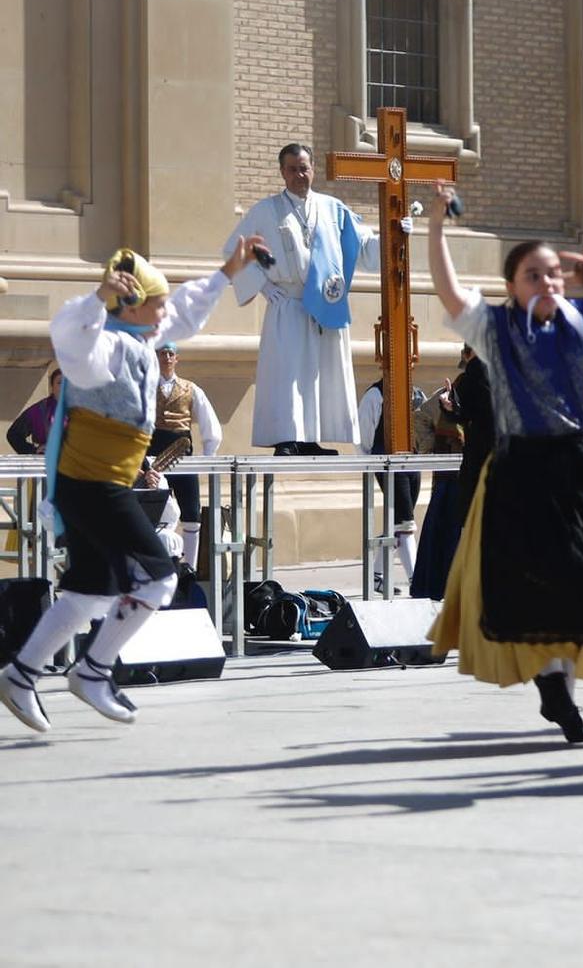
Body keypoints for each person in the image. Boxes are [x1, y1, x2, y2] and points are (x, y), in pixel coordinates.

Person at [423, 184, 583, 745]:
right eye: (534, 274)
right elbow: (451, 291)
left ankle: (563, 693)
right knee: (534, 591)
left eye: (554, 273)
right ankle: (557, 690)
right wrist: (436, 226)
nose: (547, 281)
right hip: (523, 473)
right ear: (511, 285)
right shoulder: (494, 327)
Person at [2, 236, 264, 734]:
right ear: (132, 305)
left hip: (98, 482)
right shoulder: (104, 345)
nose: (167, 310)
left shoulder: (143, 340)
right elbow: (70, 337)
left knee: (88, 590)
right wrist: (98, 299)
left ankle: (21, 674)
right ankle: (93, 671)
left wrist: (229, 269)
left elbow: (185, 309)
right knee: (160, 576)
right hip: (93, 483)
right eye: (157, 301)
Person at [224, 143, 382, 453]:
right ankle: (287, 438)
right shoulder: (266, 210)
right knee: (288, 372)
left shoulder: (333, 208)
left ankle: (310, 439)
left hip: (325, 302)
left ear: (313, 170)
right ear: (282, 172)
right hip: (288, 303)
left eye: (304, 167)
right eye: (293, 169)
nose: (300, 174)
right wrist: (264, 286)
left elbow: (364, 248)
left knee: (317, 373)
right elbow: (236, 250)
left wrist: (394, 233)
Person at [410, 347, 490, 601]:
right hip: (452, 479)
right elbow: (421, 417)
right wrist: (432, 447)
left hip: (479, 474)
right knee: (447, 535)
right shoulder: (453, 390)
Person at [356, 360, 426, 594]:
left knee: (398, 523)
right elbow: (364, 437)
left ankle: (376, 576)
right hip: (387, 464)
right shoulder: (374, 396)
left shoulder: (415, 394)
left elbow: (424, 426)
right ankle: (417, 580)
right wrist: (372, 464)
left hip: (412, 463)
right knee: (405, 525)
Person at [147, 345, 221, 552]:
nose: (167, 357)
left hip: (183, 456)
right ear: (156, 357)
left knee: (191, 514)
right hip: (153, 457)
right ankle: (158, 563)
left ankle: (190, 569)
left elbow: (209, 422)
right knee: (154, 510)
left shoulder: (191, 388)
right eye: (162, 353)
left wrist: (209, 454)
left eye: (170, 354)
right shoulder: (145, 388)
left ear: (177, 358)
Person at [7, 369, 61, 454]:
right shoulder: (39, 410)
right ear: (52, 387)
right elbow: (13, 434)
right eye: (60, 383)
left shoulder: (81, 411)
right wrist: (32, 450)